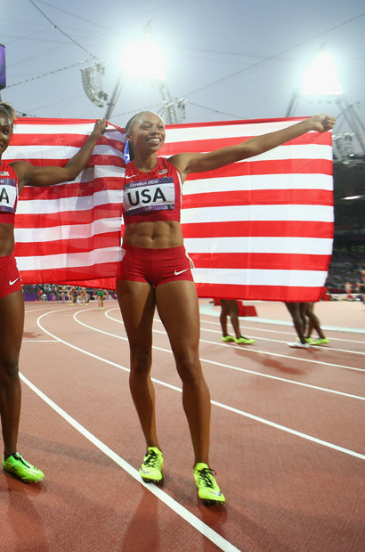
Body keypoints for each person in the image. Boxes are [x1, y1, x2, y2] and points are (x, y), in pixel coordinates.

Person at [118, 110, 334, 505]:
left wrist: (305, 126)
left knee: (188, 362)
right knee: (139, 359)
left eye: (160, 126)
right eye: (146, 125)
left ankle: (203, 465)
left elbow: (246, 148)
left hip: (173, 266)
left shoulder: (178, 165)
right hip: (132, 268)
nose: (156, 130)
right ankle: (152, 448)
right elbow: (64, 174)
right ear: (129, 134)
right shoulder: (114, 176)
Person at [0, 103, 106, 489]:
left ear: (10, 135)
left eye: (3, 131)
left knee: (9, 367)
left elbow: (69, 172)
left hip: (4, 276)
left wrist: (95, 137)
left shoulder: (18, 172)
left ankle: (11, 453)